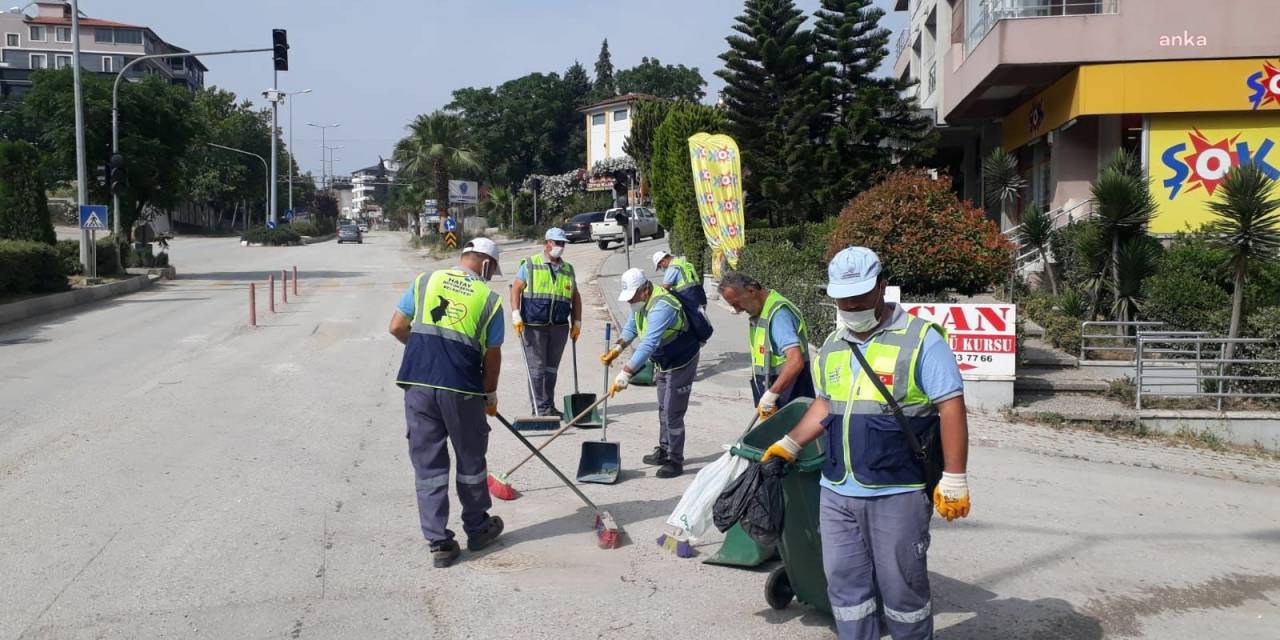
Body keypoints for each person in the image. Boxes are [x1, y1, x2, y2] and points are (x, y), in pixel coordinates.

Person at [761, 247, 971, 639]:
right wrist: (789, 444)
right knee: (844, 587)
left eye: (860, 293)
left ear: (882, 286)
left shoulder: (921, 339)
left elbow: (951, 407)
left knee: (902, 591)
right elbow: (826, 404)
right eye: (843, 295)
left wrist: (955, 477)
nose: (851, 303)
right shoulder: (835, 345)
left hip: (898, 489)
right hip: (836, 490)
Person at [389, 237, 507, 568]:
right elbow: (492, 355)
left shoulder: (425, 281)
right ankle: (478, 527)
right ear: (486, 264)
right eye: (493, 270)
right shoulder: (490, 300)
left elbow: (397, 326)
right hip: (462, 390)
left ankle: (439, 542)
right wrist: (490, 393)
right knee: (470, 460)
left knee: (428, 467)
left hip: (418, 386)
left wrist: (424, 352)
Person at [601, 267, 702, 478]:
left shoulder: (662, 306)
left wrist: (626, 373)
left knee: (673, 412)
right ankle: (664, 450)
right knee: (663, 407)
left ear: (645, 290)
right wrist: (616, 349)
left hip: (681, 359)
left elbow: (648, 344)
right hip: (664, 360)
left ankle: (675, 460)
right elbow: (631, 328)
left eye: (633, 297)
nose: (630, 302)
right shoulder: (641, 304)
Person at [717, 272, 815, 419]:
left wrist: (771, 394)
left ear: (751, 291)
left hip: (789, 397)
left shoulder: (778, 314)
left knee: (788, 441)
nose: (737, 310)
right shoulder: (762, 313)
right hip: (777, 396)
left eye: (737, 303)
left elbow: (795, 361)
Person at [511, 228, 583, 417]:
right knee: (537, 368)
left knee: (551, 369)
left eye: (563, 243)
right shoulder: (530, 264)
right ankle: (539, 407)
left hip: (559, 327)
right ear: (547, 243)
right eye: (557, 243)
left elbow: (575, 297)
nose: (561, 247)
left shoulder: (568, 269)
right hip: (533, 326)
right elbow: (516, 290)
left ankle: (548, 405)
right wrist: (515, 314)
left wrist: (577, 322)